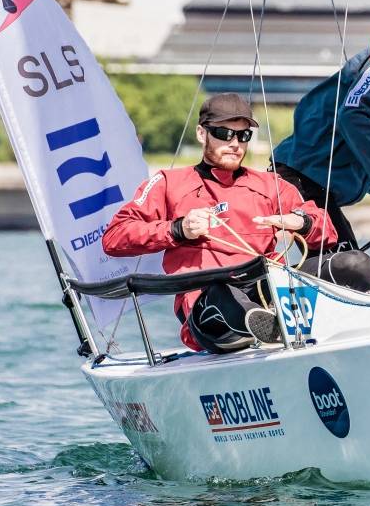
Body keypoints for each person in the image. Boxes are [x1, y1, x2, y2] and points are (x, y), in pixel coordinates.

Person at [103, 93, 350, 354]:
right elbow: (114, 237)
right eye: (223, 133)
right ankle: (269, 328)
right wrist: (178, 229)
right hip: (210, 302)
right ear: (202, 134)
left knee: (354, 264)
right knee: (225, 296)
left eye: (243, 136)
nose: (235, 143)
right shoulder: (168, 183)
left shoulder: (271, 185)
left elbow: (327, 232)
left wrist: (302, 223)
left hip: (267, 286)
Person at [272, 48, 370, 252]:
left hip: (317, 181)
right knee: (348, 267)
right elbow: (351, 117)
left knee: (350, 265)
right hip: (299, 175)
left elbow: (362, 164)